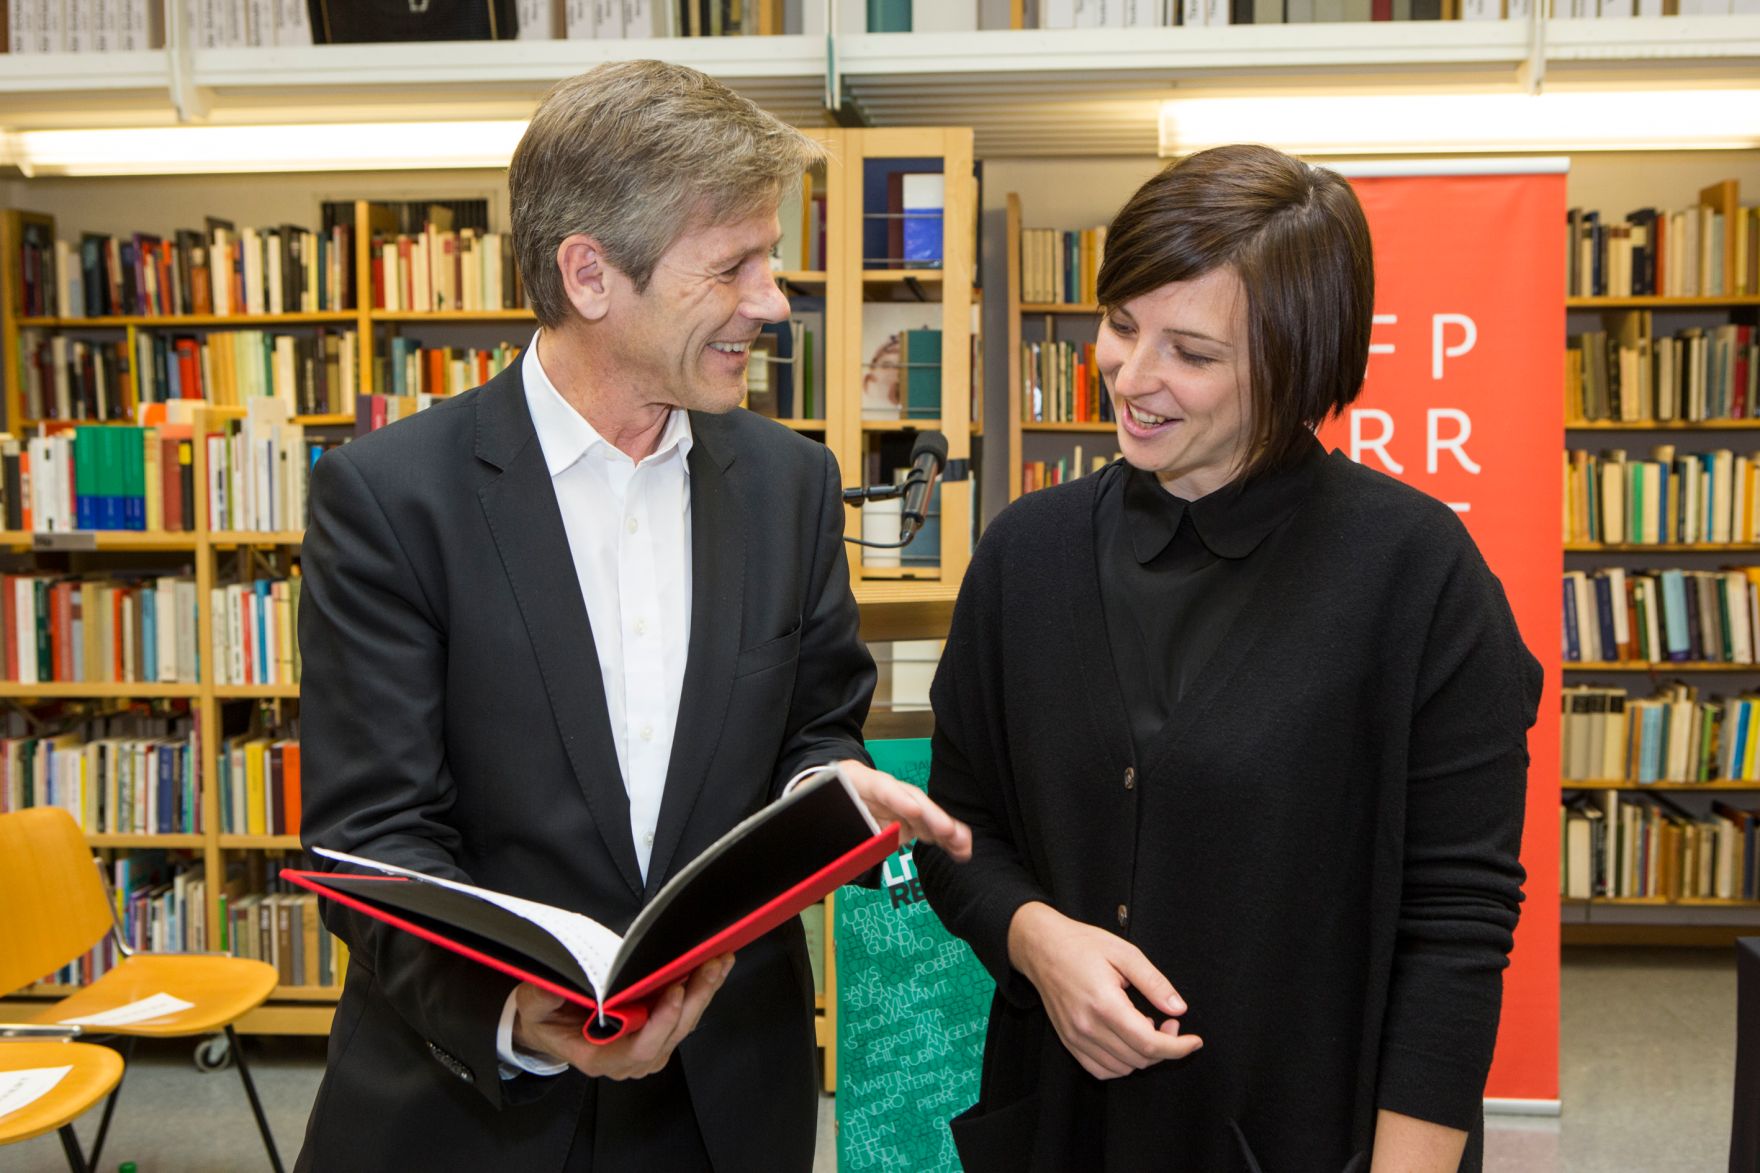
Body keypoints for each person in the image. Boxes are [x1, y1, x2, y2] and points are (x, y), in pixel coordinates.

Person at [295, 60, 970, 1173]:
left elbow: (814, 728)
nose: (771, 301)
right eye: (734, 266)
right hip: (469, 1101)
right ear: (590, 275)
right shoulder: (391, 498)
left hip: (722, 1099)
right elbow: (373, 837)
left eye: (770, 261)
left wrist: (825, 797)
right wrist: (517, 1014)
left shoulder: (790, 485)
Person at [915, 143, 1540, 1173]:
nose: (1131, 375)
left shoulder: (1416, 576)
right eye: (1121, 325)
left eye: (1192, 353)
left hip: (1308, 1131)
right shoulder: (1026, 554)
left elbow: (1456, 925)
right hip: (1063, 1126)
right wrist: (1034, 938)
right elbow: (959, 827)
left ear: (1295, 369)